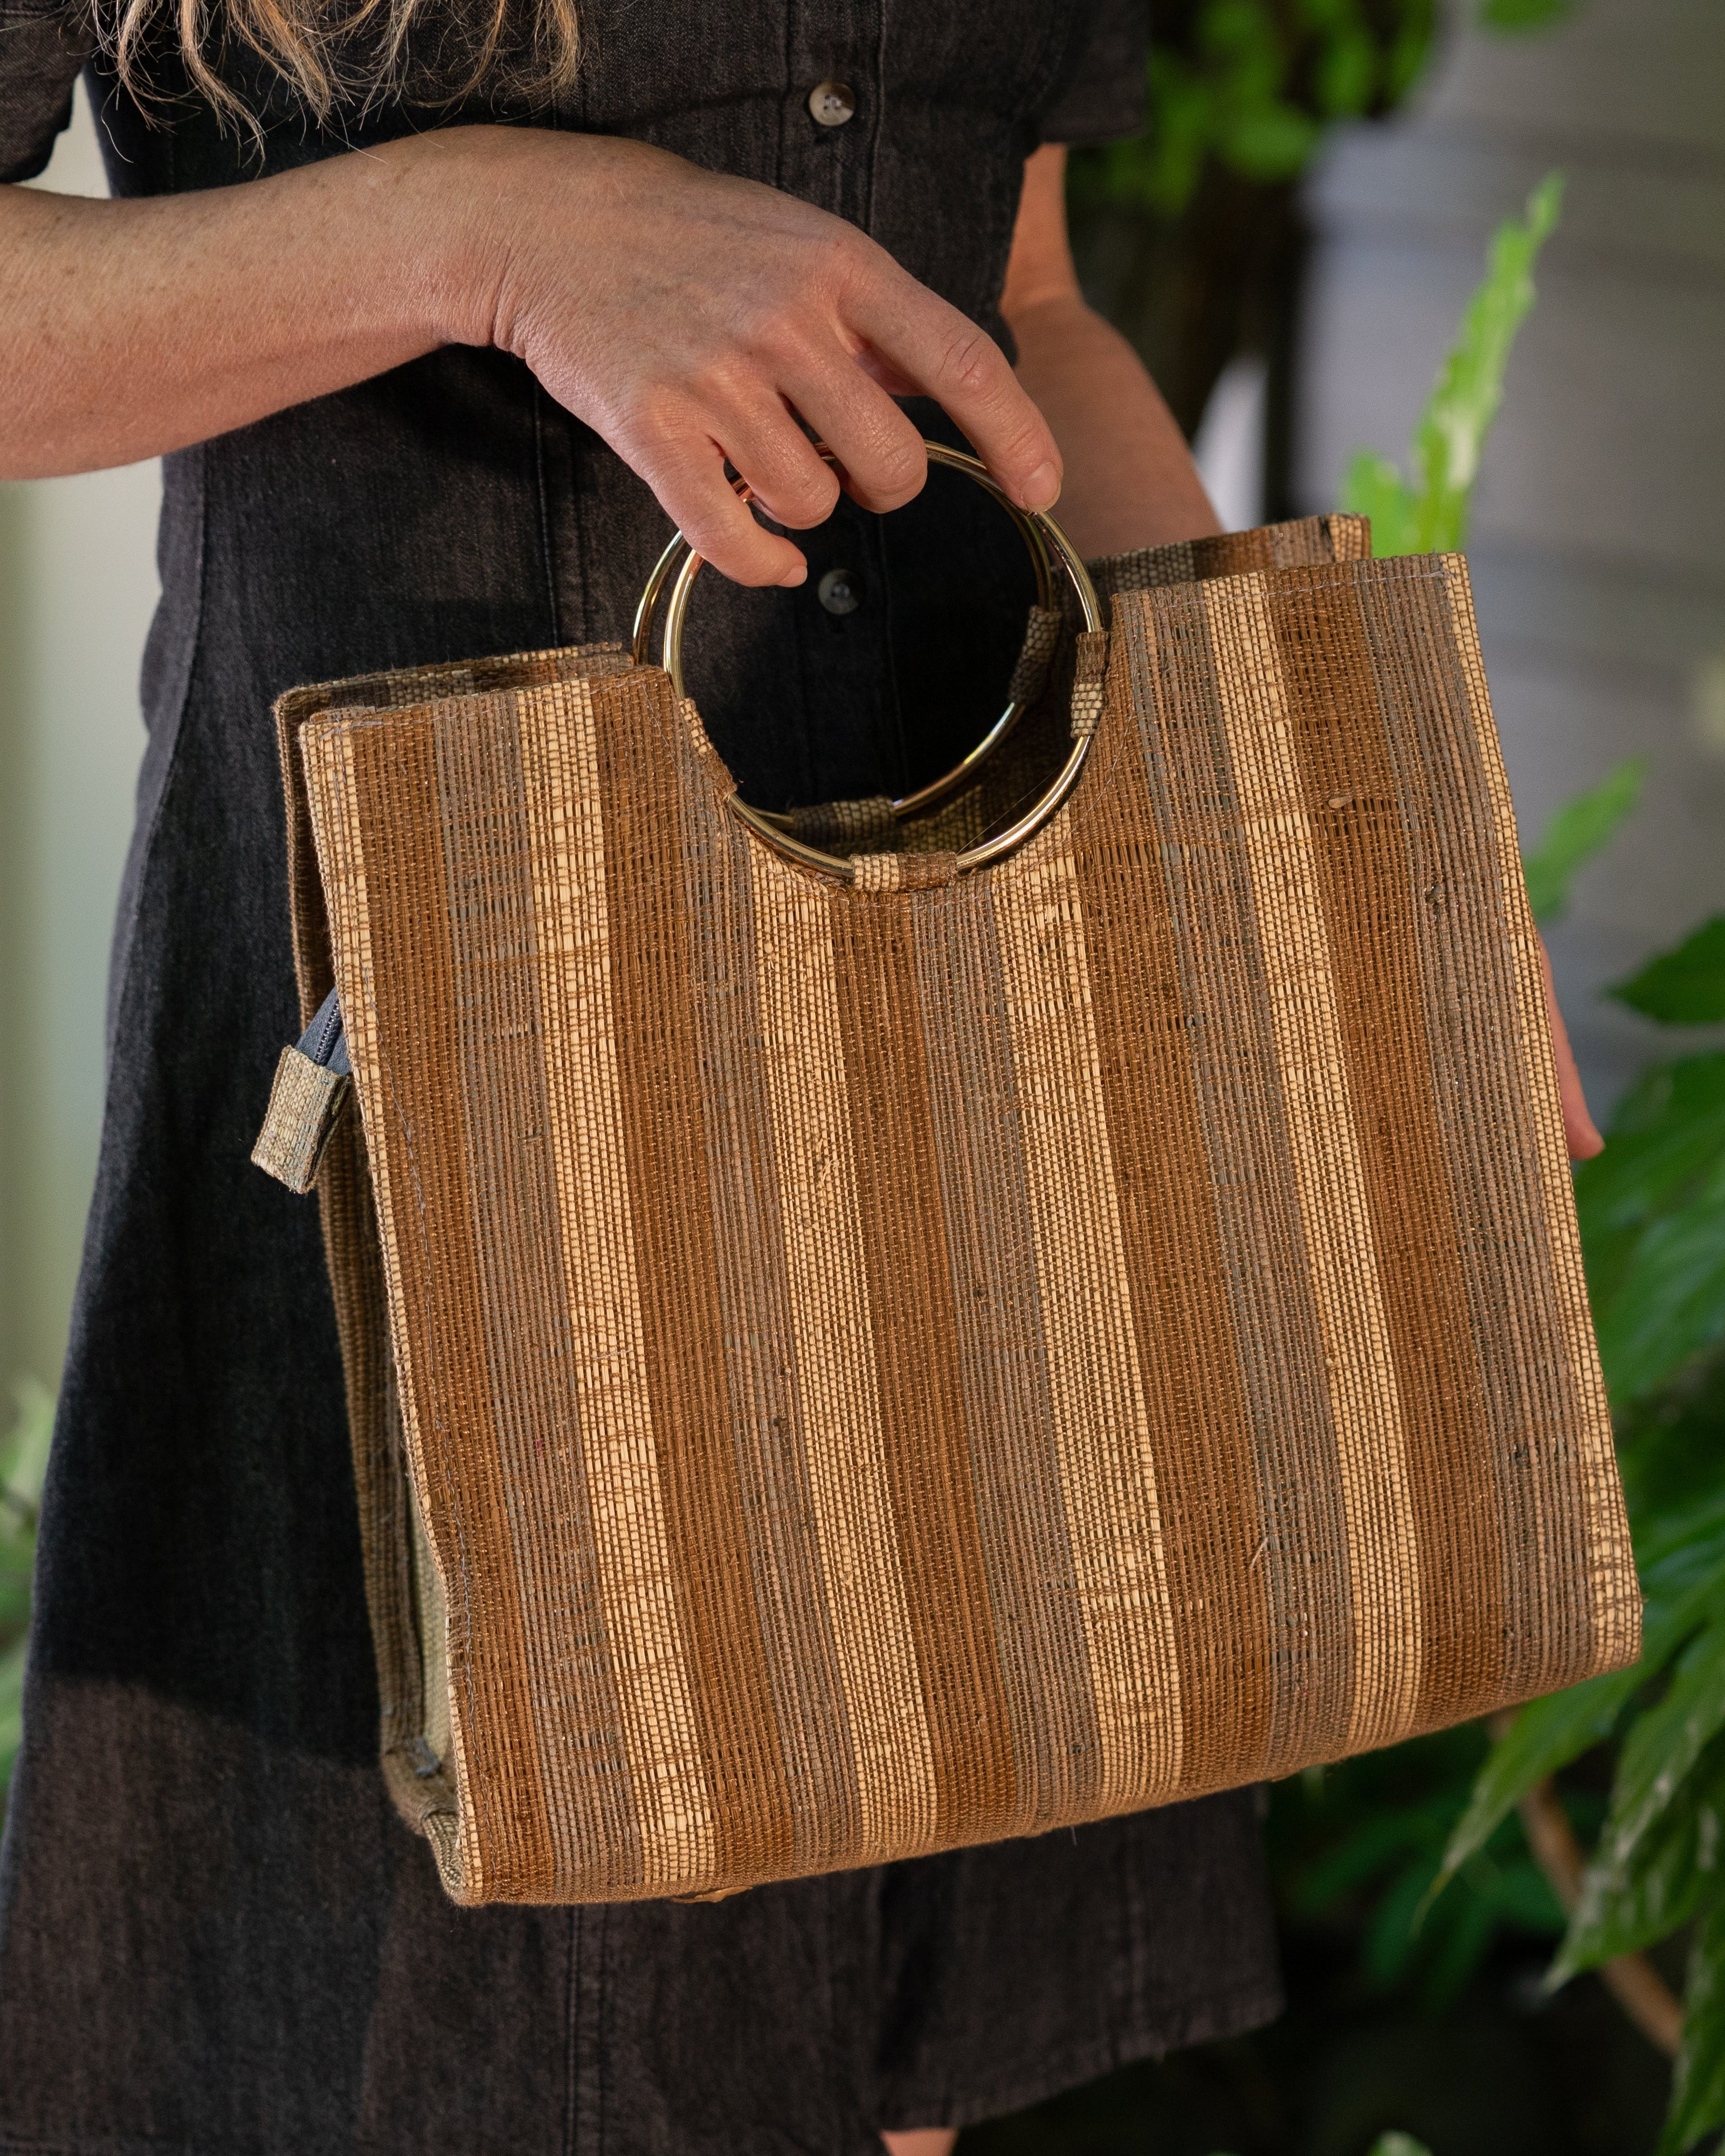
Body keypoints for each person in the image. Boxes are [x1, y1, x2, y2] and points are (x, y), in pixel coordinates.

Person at [0, 1, 1603, 2148]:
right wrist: (487, 237)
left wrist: (1335, 867)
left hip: (984, 1102)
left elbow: (1025, 310)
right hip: (467, 1163)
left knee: (884, 2025)